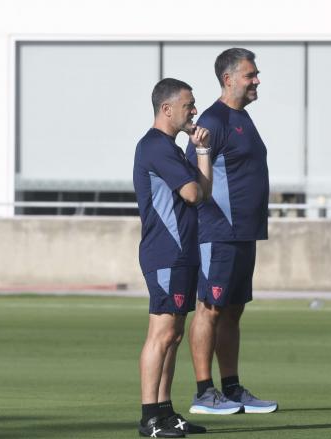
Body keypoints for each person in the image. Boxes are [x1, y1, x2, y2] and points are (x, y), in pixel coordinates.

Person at [186, 48, 277, 415]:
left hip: (245, 233)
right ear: (229, 79)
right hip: (218, 232)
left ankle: (232, 388)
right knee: (209, 308)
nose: (256, 80)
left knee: (233, 311)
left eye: (256, 74)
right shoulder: (213, 119)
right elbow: (197, 179)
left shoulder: (243, 118)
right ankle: (204, 392)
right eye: (250, 75)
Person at [133, 78, 212, 437]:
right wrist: (197, 165)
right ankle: (149, 417)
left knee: (174, 335)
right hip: (166, 252)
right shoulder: (155, 147)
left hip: (181, 252)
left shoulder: (172, 148)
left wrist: (203, 152)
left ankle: (165, 413)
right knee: (161, 334)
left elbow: (203, 192)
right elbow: (193, 194)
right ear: (167, 109)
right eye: (188, 104)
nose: (194, 110)